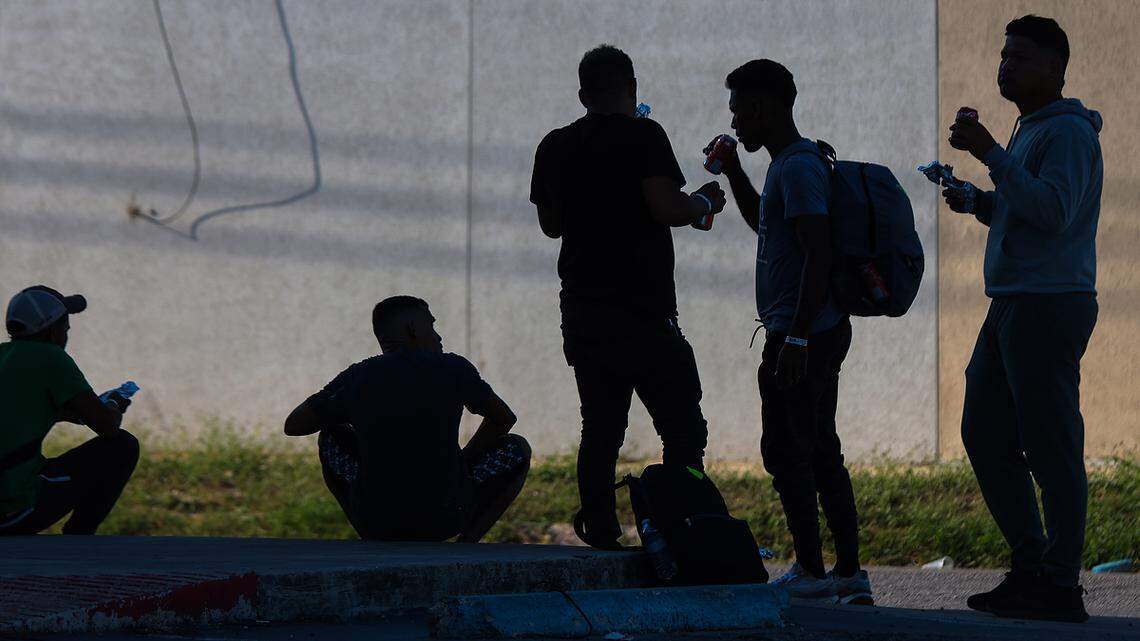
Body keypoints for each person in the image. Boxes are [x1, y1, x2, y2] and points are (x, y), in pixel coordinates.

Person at [529, 44, 726, 550]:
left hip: (583, 309)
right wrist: (705, 200)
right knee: (681, 426)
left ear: (582, 93)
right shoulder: (645, 134)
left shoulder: (553, 144)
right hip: (642, 308)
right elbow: (665, 207)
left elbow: (551, 226)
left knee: (600, 427)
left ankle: (601, 529)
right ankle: (683, 527)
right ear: (632, 87)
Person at [945, 15, 1102, 623]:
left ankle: (1060, 585)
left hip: (1048, 302)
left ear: (1058, 68)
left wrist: (988, 153)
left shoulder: (1067, 134)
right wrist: (980, 202)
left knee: (1051, 445)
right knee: (984, 432)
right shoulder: (1031, 129)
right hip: (1014, 298)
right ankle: (1031, 567)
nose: (1005, 65)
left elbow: (1056, 212)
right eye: (1003, 55)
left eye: (1021, 57)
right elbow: (1025, 212)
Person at [712, 59, 869, 603]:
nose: (734, 123)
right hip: (810, 329)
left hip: (804, 332)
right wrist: (733, 170)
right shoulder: (786, 166)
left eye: (738, 113)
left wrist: (797, 337)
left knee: (787, 450)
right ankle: (846, 572)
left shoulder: (799, 167)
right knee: (820, 446)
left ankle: (813, 570)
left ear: (760, 108)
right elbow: (765, 221)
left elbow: (817, 252)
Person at [284, 296, 529, 542]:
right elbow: (504, 419)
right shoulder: (453, 368)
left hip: (378, 520)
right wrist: (463, 462)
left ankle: (370, 539)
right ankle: (466, 544)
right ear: (413, 328)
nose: (439, 337)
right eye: (432, 325)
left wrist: (337, 398)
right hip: (446, 516)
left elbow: (294, 424)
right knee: (517, 448)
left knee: (331, 435)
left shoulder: (358, 376)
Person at [0, 286, 139, 535]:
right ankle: (79, 536)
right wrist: (114, 402)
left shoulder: (3, 356)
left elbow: (20, 412)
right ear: (52, 331)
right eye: (66, 328)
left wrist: (71, 412)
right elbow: (107, 427)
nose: (66, 335)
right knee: (123, 446)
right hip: (12, 511)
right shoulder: (51, 358)